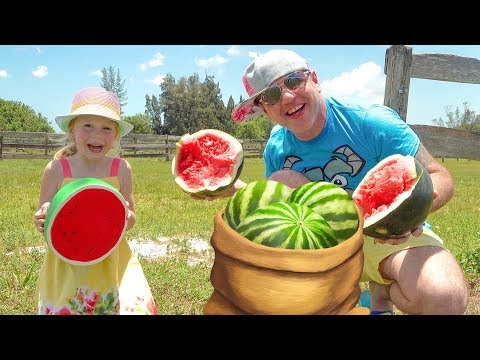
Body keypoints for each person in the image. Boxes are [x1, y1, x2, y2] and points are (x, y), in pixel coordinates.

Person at [203, 49, 469, 315]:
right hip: (320, 243)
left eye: (294, 81)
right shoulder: (276, 147)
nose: (287, 96)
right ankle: (351, 302)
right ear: (264, 109)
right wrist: (234, 188)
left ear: (315, 79)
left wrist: (411, 214)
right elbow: (276, 206)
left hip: (390, 239)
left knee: (444, 298)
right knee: (283, 182)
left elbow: (440, 176)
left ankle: (382, 290)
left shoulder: (371, 121)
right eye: (271, 96)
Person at [33, 86, 157, 315]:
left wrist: (127, 216)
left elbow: (131, 217)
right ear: (72, 130)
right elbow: (42, 217)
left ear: (116, 134)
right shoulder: (57, 169)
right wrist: (42, 218)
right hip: (68, 262)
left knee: (132, 309)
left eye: (107, 128)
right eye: (87, 125)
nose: (97, 134)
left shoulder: (121, 169)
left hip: (112, 257)